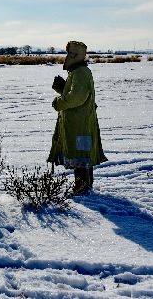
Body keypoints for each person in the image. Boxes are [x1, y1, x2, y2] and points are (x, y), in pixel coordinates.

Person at [47, 41, 107, 194]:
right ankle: (85, 188)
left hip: (79, 123)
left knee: (81, 156)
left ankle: (82, 190)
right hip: (79, 122)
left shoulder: (80, 72)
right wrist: (62, 88)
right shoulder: (77, 71)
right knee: (82, 155)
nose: (67, 57)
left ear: (76, 55)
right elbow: (79, 96)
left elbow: (77, 98)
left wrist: (59, 103)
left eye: (70, 54)